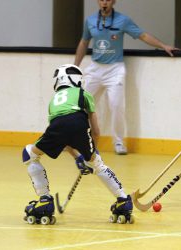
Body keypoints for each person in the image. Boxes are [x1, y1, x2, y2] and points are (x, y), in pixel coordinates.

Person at [22, 64, 134, 224]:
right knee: (98, 165)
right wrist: (90, 154)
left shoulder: (53, 101)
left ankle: (44, 199)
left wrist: (77, 158)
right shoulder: (84, 94)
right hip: (79, 122)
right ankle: (123, 200)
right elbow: (95, 131)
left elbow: (62, 136)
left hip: (57, 126)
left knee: (29, 155)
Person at [74, 0, 179, 155]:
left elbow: (142, 35)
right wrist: (75, 67)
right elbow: (84, 43)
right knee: (81, 104)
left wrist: (163, 46)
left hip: (115, 70)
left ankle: (118, 142)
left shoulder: (123, 20)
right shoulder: (89, 20)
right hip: (95, 69)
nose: (104, 3)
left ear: (113, 1)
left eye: (108, 0)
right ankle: (80, 139)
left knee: (117, 106)